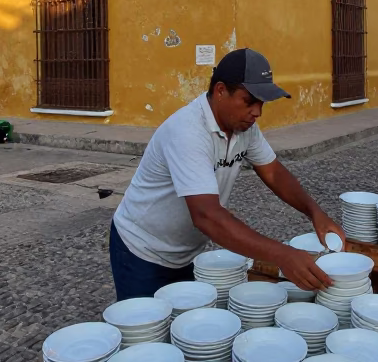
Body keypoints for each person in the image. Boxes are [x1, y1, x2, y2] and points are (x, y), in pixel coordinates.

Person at [109, 48, 346, 300]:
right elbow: (206, 216)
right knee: (147, 330)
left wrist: (315, 212)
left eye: (261, 103)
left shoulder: (244, 127)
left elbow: (274, 173)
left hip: (186, 254)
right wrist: (282, 254)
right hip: (141, 251)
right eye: (249, 101)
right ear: (221, 91)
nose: (257, 112)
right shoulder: (187, 131)